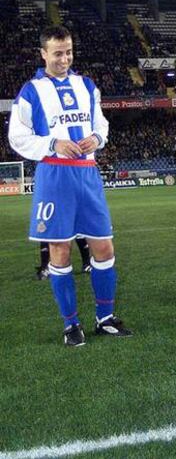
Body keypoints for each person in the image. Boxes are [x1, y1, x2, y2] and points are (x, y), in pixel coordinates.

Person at [9, 25, 132, 347]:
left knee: (104, 247)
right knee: (60, 250)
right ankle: (71, 325)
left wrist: (98, 137)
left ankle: (105, 319)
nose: (64, 58)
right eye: (58, 53)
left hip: (87, 172)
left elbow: (100, 122)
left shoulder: (86, 85)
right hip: (55, 175)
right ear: (44, 54)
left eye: (69, 52)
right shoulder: (31, 90)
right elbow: (17, 137)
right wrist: (53, 143)